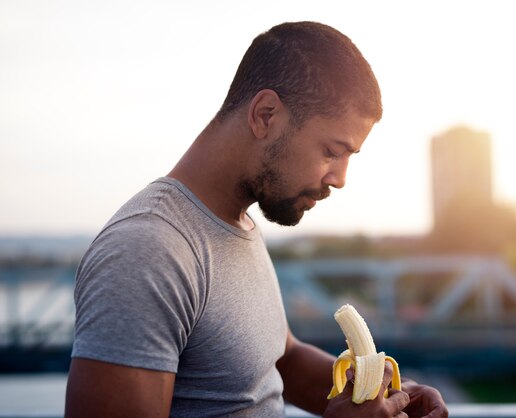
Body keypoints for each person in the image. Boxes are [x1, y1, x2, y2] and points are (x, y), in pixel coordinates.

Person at [65, 21, 448, 418]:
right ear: (265, 115)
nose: (340, 179)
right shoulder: (147, 252)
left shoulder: (237, 225)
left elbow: (279, 360)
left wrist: (383, 397)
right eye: (332, 151)